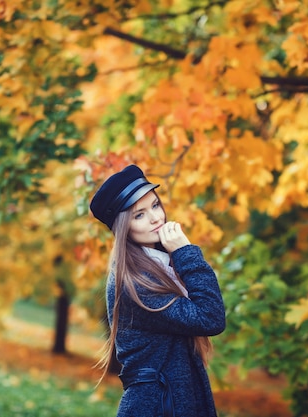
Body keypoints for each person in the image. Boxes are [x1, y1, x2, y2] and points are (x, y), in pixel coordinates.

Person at [89, 164, 226, 417]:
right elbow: (210, 317)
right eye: (139, 215)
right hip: (157, 405)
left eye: (154, 205)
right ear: (123, 228)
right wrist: (185, 251)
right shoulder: (136, 282)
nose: (155, 218)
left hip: (174, 398)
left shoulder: (159, 264)